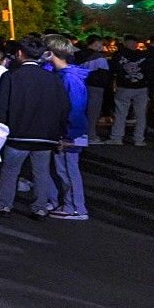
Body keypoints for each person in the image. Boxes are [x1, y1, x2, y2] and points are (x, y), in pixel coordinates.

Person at [0, 35, 68, 217]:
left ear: (20, 53)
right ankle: (40, 207)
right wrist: (58, 132)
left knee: (10, 170)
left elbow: (2, 107)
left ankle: (4, 205)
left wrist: (2, 129)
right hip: (45, 135)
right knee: (41, 172)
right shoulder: (53, 78)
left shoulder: (10, 76)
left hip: (17, 133)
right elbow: (64, 107)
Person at [47, 36, 91, 221]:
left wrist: (67, 135)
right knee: (65, 170)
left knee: (67, 170)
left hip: (70, 133)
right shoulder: (65, 75)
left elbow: (75, 109)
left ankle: (75, 207)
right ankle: (71, 204)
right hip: (68, 131)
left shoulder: (69, 79)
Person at [110, 35, 150, 145]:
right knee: (141, 114)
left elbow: (114, 69)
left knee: (121, 113)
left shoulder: (118, 55)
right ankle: (139, 138)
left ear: (125, 43)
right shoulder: (144, 55)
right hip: (141, 87)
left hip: (124, 86)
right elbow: (149, 71)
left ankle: (117, 137)